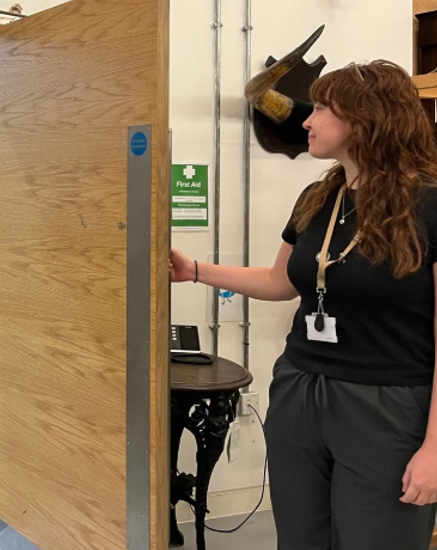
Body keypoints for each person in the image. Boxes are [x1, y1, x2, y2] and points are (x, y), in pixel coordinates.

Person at [171, 60, 437, 549]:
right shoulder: (320, 196)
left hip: (388, 404)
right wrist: (195, 270)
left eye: (320, 109)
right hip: (301, 389)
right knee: (299, 538)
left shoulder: (430, 204)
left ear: (366, 118)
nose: (307, 121)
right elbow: (280, 282)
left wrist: (435, 450)